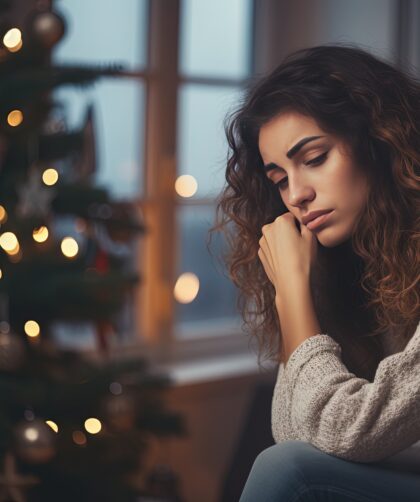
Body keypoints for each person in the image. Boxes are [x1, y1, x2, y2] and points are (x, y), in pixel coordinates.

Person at [208, 43, 420, 500]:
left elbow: (352, 432)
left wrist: (291, 293)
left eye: (315, 158)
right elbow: (295, 429)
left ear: (378, 143)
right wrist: (297, 289)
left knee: (290, 472)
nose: (295, 195)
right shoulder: (359, 264)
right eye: (279, 179)